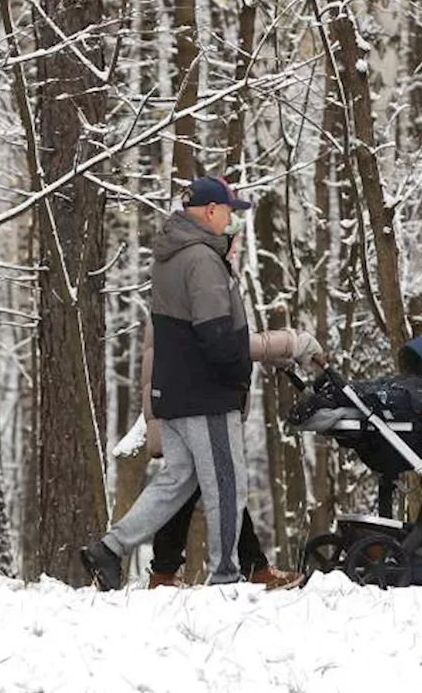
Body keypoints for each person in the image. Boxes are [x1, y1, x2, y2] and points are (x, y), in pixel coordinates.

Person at [81, 176, 321, 590]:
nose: (232, 221)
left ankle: (110, 548)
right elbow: (216, 336)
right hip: (205, 395)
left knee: (177, 481)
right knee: (227, 487)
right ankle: (226, 576)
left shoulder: (170, 255)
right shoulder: (202, 260)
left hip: (175, 393)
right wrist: (244, 367)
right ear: (211, 211)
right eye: (229, 212)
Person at [140, 321, 316, 590]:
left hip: (191, 408)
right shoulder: (192, 298)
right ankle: (251, 566)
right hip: (196, 411)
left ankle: (165, 570)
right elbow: (227, 345)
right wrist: (291, 343)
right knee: (221, 485)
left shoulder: (181, 299)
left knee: (205, 487)